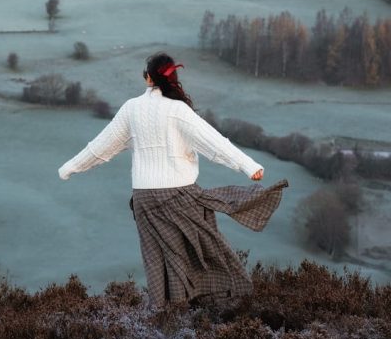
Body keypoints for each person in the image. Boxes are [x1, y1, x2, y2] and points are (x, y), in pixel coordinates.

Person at [58, 51, 288, 307]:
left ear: (148, 79)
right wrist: (248, 165)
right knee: (200, 254)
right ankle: (205, 315)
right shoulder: (178, 111)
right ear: (173, 78)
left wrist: (70, 167)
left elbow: (100, 148)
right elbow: (213, 142)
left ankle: (166, 322)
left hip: (144, 199)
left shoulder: (131, 110)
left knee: (157, 262)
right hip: (178, 196)